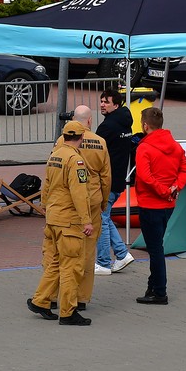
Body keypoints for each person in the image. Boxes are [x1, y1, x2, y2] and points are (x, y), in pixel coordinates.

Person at [26, 121, 96, 326]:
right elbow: (79, 193)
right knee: (71, 267)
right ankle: (68, 312)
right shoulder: (75, 160)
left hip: (54, 218)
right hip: (69, 222)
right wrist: (87, 220)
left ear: (64, 136)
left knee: (55, 263)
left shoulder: (55, 155)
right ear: (81, 137)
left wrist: (45, 208)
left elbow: (47, 186)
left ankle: (41, 300)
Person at [134, 107, 186, 305]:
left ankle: (159, 291)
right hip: (168, 204)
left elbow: (145, 176)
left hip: (151, 203)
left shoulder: (144, 148)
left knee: (155, 250)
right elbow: (185, 169)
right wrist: (175, 187)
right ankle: (153, 286)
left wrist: (163, 191)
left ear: (145, 125)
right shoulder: (174, 146)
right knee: (157, 246)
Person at [59, 105, 111, 307]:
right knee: (88, 254)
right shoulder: (100, 142)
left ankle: (56, 295)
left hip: (68, 203)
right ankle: (81, 298)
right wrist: (104, 202)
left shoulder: (62, 141)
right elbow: (106, 178)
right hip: (92, 202)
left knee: (63, 252)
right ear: (89, 121)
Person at [95, 89, 135, 274]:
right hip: (118, 179)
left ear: (116, 105)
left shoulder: (107, 127)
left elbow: (95, 153)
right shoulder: (125, 123)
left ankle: (103, 262)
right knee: (104, 217)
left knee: (101, 219)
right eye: (102, 101)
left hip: (107, 181)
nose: (102, 104)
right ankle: (122, 254)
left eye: (107, 102)